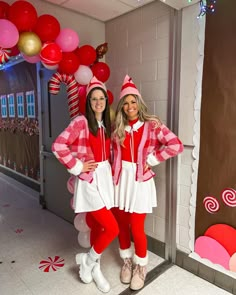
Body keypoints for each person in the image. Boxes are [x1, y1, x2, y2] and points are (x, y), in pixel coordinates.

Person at [112, 75, 184, 291]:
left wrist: (151, 160)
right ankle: (126, 261)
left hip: (140, 182)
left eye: (133, 101)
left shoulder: (152, 125)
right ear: (122, 107)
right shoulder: (117, 129)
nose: (129, 106)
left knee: (137, 227)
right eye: (125, 103)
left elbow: (176, 144)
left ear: (139, 103)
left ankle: (141, 266)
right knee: (121, 226)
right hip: (120, 182)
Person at [52, 76, 119, 293]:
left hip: (105, 177)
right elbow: (58, 145)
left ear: (106, 101)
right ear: (88, 102)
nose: (98, 102)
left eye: (102, 98)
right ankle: (89, 262)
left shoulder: (106, 124)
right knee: (112, 227)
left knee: (100, 225)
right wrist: (78, 167)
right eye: (94, 99)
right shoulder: (80, 122)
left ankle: (93, 266)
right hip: (89, 180)